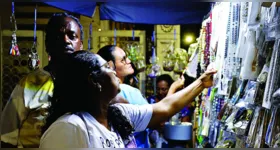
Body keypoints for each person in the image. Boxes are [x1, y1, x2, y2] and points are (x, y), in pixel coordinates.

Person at [39, 50, 217, 148]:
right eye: (108, 67)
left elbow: (164, 108)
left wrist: (202, 82)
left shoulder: (117, 114)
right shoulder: (70, 127)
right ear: (95, 81)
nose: (114, 71)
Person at [0, 12, 84, 148]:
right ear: (47, 45)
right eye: (58, 36)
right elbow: (6, 137)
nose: (65, 40)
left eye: (72, 36)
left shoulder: (89, 83)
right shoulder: (30, 83)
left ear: (81, 45)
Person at [97, 45, 184, 148]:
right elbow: (159, 120)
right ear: (110, 66)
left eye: (127, 57)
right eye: (123, 60)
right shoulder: (126, 91)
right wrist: (173, 88)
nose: (129, 61)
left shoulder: (103, 93)